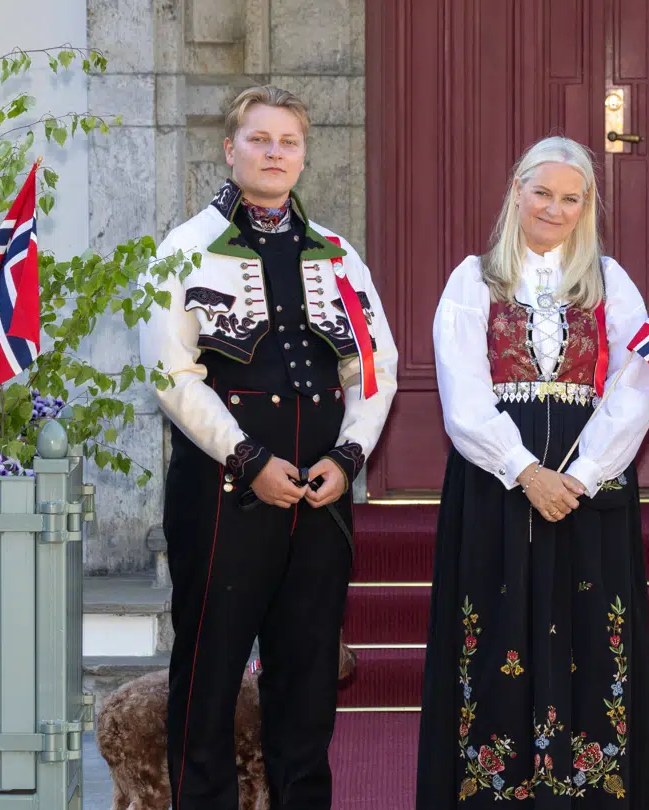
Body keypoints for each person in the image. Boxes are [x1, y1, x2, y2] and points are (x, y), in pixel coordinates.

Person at [139, 85, 398, 809]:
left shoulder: (340, 257)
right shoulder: (182, 250)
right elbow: (171, 374)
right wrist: (247, 458)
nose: (274, 153)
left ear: (304, 156)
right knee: (209, 670)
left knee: (309, 673)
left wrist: (349, 458)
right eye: (259, 139)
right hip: (223, 496)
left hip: (320, 495)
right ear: (231, 149)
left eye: (288, 142)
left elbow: (373, 368)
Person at [415, 136, 649, 806]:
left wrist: (580, 476)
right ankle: (495, 788)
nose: (554, 208)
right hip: (497, 483)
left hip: (591, 484)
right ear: (517, 192)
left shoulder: (613, 281)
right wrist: (525, 470)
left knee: (591, 631)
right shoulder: (474, 280)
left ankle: (589, 789)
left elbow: (637, 386)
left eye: (570, 198)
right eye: (542, 193)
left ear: (587, 208)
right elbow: (461, 391)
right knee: (494, 633)